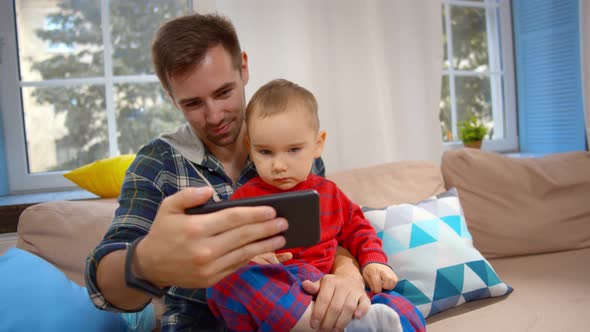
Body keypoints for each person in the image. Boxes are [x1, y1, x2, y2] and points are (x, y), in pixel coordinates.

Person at [85, 13, 374, 332]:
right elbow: (105, 285)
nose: (214, 116)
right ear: (171, 96)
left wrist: (348, 272)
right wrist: (147, 261)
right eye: (193, 103)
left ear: (244, 68)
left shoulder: (292, 143)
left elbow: (334, 230)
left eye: (224, 93)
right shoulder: (158, 162)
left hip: (301, 308)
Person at [206, 79, 426, 332]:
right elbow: (226, 243)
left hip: (329, 287)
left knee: (403, 308)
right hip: (279, 289)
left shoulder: (329, 193)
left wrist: (373, 261)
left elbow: (358, 229)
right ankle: (313, 324)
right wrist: (247, 255)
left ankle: (346, 324)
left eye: (293, 150)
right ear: (250, 148)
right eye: (265, 152)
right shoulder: (244, 199)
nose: (279, 165)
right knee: (223, 281)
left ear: (318, 144)